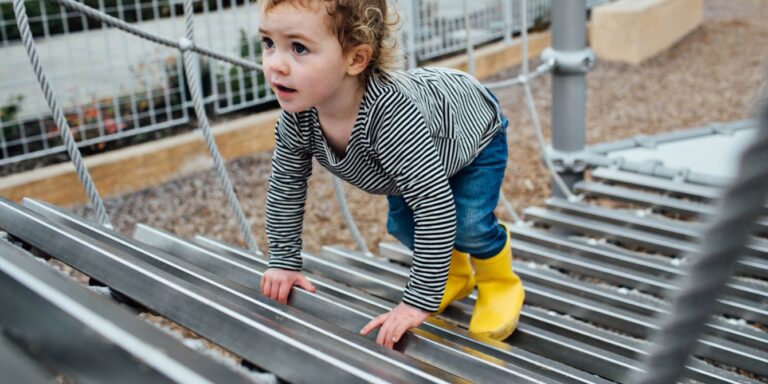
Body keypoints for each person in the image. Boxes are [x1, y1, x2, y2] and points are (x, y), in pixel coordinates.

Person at [258, 0, 525, 348]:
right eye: (267, 43)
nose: (275, 64)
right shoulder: (298, 118)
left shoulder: (391, 118)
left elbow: (434, 207)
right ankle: (455, 274)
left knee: (468, 224)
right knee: (401, 224)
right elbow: (285, 187)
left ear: (355, 58)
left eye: (298, 48)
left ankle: (500, 282)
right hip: (411, 165)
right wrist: (283, 261)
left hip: (470, 133)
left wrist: (417, 301)